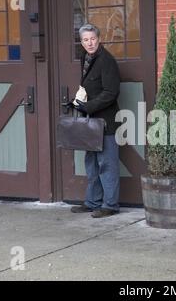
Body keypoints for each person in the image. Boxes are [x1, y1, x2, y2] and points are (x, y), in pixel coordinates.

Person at [70, 24, 121, 218]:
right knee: (91, 163)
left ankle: (110, 205)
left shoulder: (106, 60)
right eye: (85, 40)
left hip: (105, 121)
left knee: (107, 164)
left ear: (99, 39)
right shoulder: (85, 57)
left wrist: (88, 107)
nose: (89, 43)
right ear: (81, 42)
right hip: (90, 121)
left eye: (92, 39)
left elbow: (111, 92)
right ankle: (92, 202)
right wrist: (78, 102)